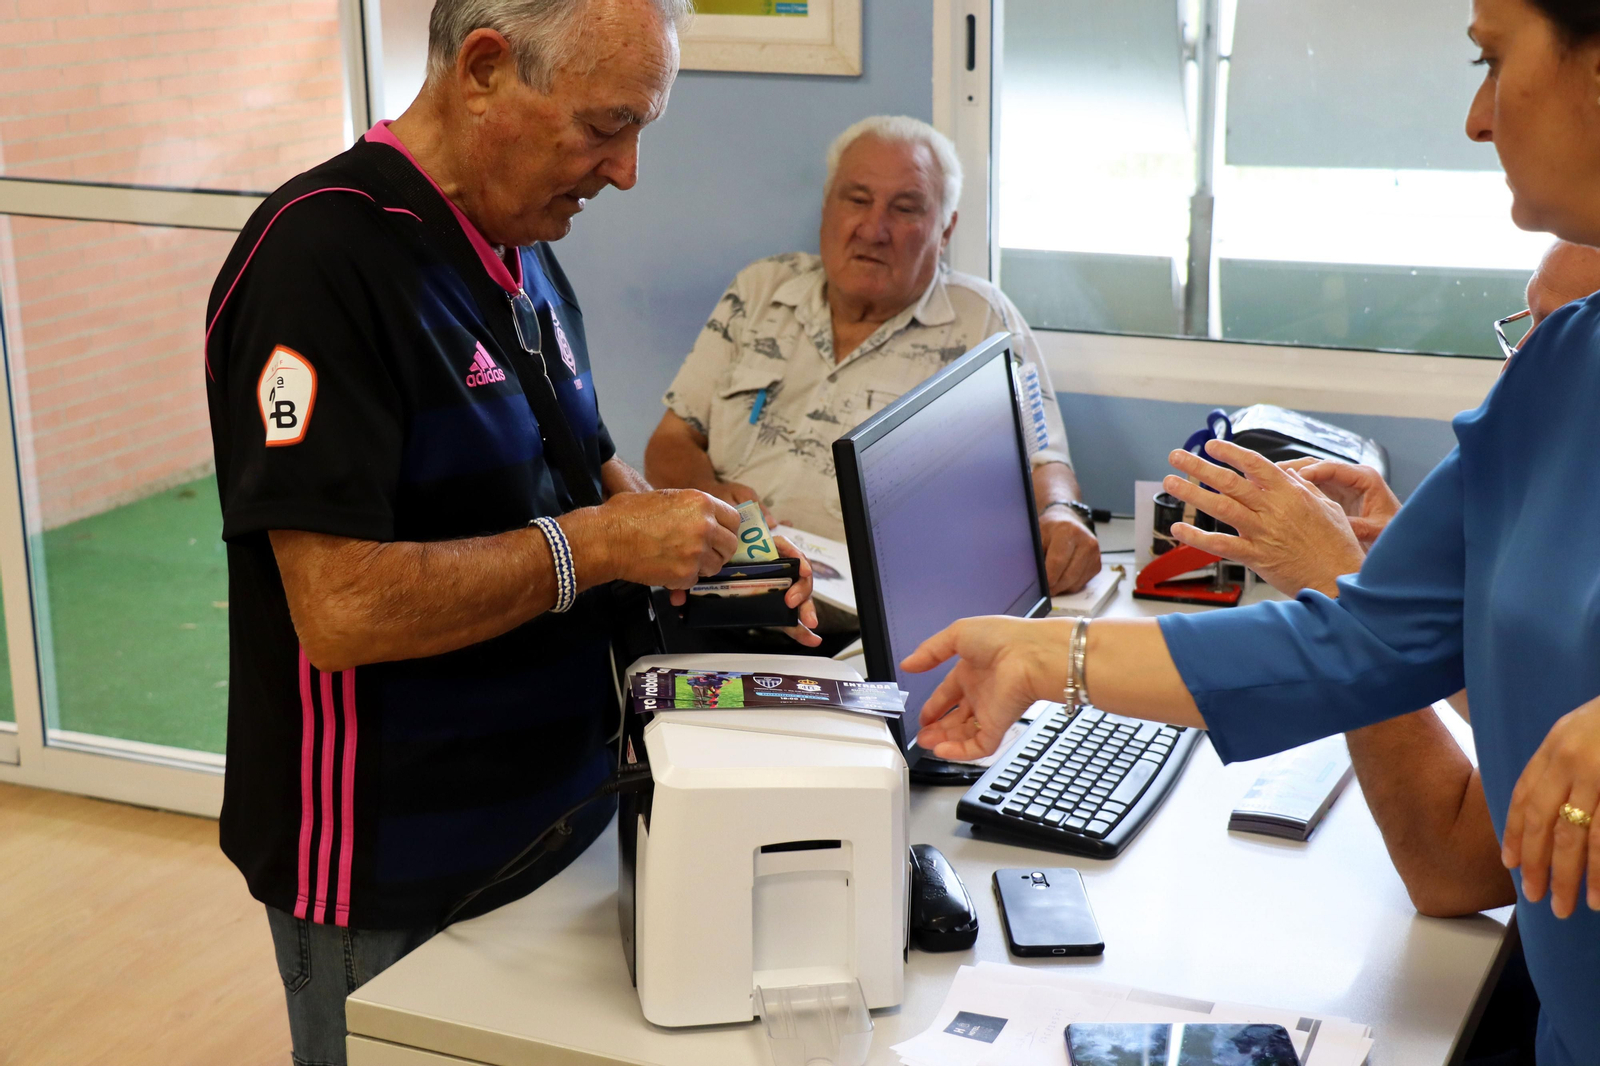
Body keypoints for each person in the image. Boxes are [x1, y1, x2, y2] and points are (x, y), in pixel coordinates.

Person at [904, 2, 1600, 1063]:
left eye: (1493, 61)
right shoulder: (1560, 366)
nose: (1473, 117)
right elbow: (1352, 642)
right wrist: (1045, 656)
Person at [203, 1, 819, 1063]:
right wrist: (605, 547)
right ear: (483, 69)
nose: (625, 171)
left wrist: (726, 554)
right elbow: (339, 608)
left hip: (562, 825)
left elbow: (593, 477)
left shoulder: (517, 243)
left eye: (641, 131)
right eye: (604, 125)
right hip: (394, 873)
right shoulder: (318, 259)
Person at [644, 115, 1101, 597]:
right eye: (857, 200)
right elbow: (670, 443)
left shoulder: (983, 321)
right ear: (827, 206)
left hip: (881, 609)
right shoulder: (761, 288)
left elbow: (1044, 464)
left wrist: (1061, 514)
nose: (874, 229)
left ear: (945, 230)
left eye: (906, 209)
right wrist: (711, 493)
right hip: (726, 587)